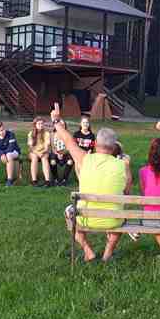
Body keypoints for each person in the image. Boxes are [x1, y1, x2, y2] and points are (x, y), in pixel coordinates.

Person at [53, 103, 127, 263]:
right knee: (121, 215)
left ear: (95, 144)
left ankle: (88, 251)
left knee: (69, 212)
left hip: (85, 218)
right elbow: (126, 192)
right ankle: (107, 255)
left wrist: (56, 121)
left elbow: (68, 140)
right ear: (114, 146)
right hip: (113, 220)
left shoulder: (84, 158)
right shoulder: (123, 165)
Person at [0, 121, 20, 187]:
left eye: (2, 130)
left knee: (8, 155)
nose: (1, 132)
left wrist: (3, 154)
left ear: (4, 128)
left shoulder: (11, 134)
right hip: (1, 152)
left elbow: (11, 147)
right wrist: (1, 154)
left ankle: (10, 180)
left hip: (14, 151)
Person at [28, 117, 52, 187]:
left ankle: (47, 181)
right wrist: (37, 153)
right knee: (34, 158)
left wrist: (42, 152)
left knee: (44, 158)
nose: (41, 125)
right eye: (39, 124)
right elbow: (31, 147)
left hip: (44, 151)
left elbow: (47, 147)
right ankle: (34, 180)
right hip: (34, 152)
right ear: (35, 125)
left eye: (42, 123)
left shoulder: (46, 133)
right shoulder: (31, 133)